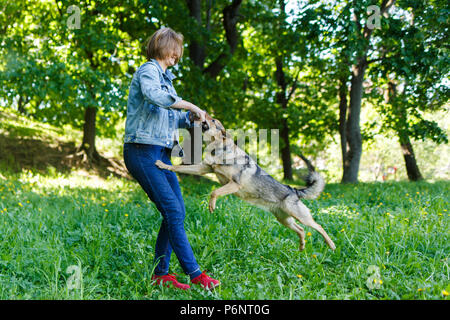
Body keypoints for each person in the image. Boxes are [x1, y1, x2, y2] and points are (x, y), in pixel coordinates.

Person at [123, 27, 220, 290]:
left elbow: (171, 115)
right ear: (164, 47)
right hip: (142, 151)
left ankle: (160, 275)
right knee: (173, 210)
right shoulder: (148, 71)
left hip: (161, 153)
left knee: (176, 210)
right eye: (175, 49)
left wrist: (191, 118)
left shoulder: (167, 80)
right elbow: (154, 96)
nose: (178, 55)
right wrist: (189, 105)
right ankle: (196, 275)